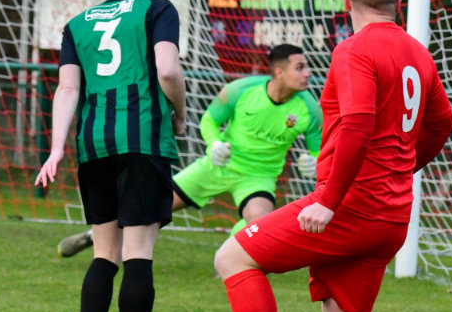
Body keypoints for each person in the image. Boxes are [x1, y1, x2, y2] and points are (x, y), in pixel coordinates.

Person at [212, 0, 452, 312]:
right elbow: (442, 124)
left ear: (347, 2)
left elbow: (358, 126)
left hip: (351, 205)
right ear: (397, 4)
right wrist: (403, 168)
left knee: (233, 257)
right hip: (391, 213)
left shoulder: (354, 49)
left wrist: (328, 201)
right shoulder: (419, 53)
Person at [34, 0, 187, 312]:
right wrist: (179, 112)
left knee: (105, 253)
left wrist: (56, 149)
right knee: (139, 254)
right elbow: (167, 70)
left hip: (93, 144)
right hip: (142, 140)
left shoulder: (77, 23)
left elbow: (67, 89)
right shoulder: (158, 9)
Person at [57, 43, 322, 258]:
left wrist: (314, 162)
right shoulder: (241, 90)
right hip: (215, 167)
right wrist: (214, 144)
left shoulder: (310, 108)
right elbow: (209, 121)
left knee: (259, 223)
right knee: (150, 208)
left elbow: (318, 150)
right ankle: (93, 236)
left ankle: (229, 258)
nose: (307, 73)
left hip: (258, 178)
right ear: (279, 72)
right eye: (300, 68)